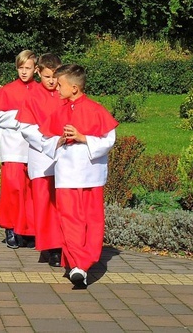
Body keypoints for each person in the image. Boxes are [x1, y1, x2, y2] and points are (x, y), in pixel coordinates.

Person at [40, 64, 118, 287]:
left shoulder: (96, 109)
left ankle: (83, 264)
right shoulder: (59, 110)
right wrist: (59, 140)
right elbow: (44, 139)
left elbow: (109, 139)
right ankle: (77, 265)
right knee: (69, 220)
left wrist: (84, 137)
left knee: (92, 221)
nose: (56, 88)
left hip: (90, 174)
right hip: (66, 174)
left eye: (60, 84)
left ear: (74, 88)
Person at [17, 53, 65, 267]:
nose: (52, 81)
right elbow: (26, 128)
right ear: (38, 72)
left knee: (61, 203)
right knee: (44, 203)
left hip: (64, 155)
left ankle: (60, 245)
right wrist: (49, 142)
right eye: (47, 77)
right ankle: (49, 246)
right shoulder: (33, 95)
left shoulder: (64, 92)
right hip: (41, 156)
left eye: (55, 76)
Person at [0, 50, 37, 249]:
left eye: (28, 68)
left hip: (34, 148)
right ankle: (10, 227)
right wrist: (19, 116)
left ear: (36, 69)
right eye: (21, 68)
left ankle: (28, 229)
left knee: (31, 191)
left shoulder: (40, 90)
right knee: (13, 188)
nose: (24, 72)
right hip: (12, 147)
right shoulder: (8, 90)